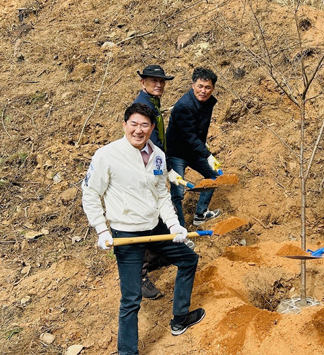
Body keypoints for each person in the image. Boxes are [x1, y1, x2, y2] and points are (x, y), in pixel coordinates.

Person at [81, 103, 205, 355]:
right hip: (126, 233)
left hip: (156, 228)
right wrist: (102, 230)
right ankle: (128, 352)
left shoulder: (158, 155)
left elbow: (161, 195)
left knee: (188, 260)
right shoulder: (107, 155)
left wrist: (174, 225)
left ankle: (180, 318)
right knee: (131, 299)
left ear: (151, 128)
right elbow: (91, 193)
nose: (139, 130)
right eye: (134, 124)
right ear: (125, 124)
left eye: (145, 125)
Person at [132, 64, 189, 300]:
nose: (159, 85)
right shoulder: (142, 107)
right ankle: (139, 275)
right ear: (142, 83)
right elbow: (143, 142)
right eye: (153, 80)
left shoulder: (152, 103)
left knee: (156, 211)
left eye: (162, 81)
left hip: (153, 164)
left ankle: (158, 256)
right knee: (144, 215)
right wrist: (161, 170)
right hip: (141, 169)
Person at [166, 67, 223, 226]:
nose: (203, 91)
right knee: (178, 192)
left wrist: (202, 146)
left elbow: (198, 130)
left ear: (212, 88)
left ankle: (201, 214)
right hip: (177, 152)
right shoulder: (184, 106)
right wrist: (208, 155)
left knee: (213, 177)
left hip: (193, 151)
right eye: (200, 86)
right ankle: (180, 231)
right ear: (193, 85)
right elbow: (188, 136)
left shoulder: (208, 102)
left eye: (207, 87)